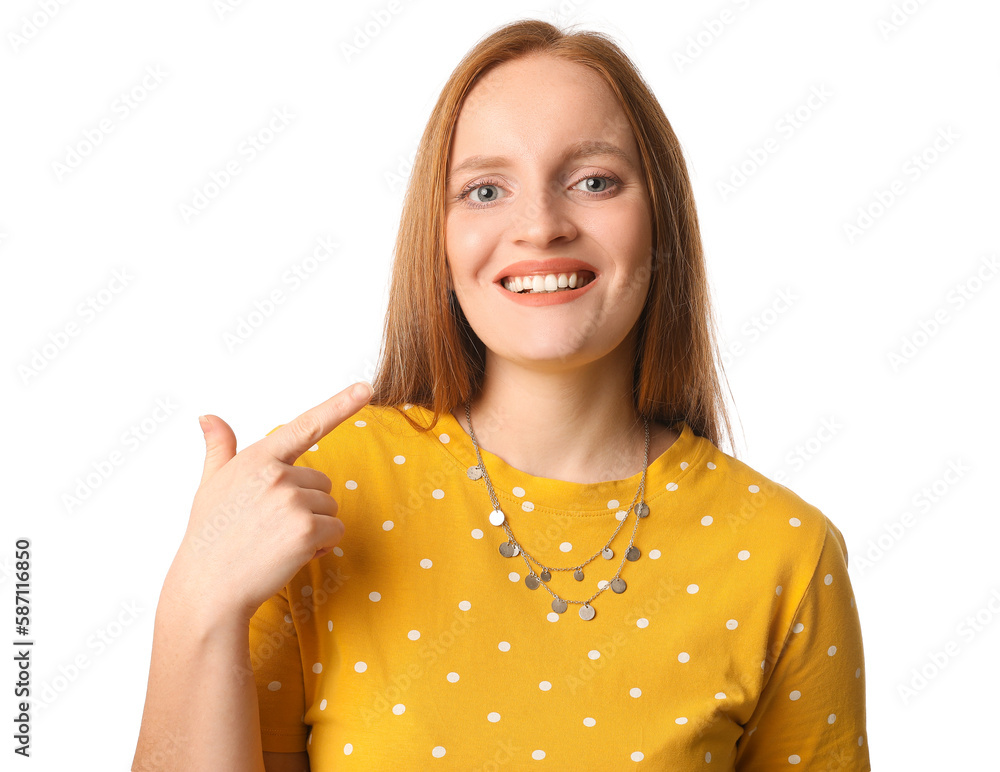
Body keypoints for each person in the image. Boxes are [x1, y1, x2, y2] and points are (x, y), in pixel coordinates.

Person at [132, 18, 870, 771]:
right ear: (440, 237)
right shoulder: (321, 500)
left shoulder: (786, 553)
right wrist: (196, 598)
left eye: (594, 181)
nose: (541, 226)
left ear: (662, 220)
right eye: (486, 190)